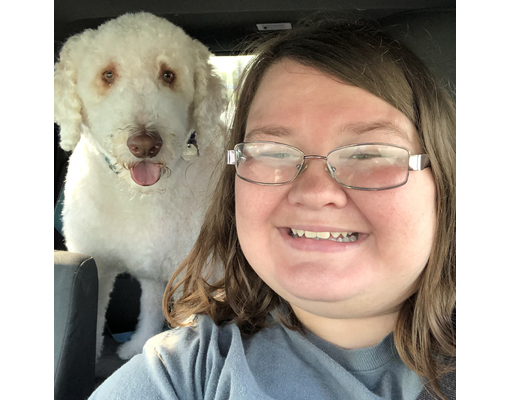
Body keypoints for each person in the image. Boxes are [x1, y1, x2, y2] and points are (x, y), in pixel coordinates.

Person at [90, 17, 456, 400]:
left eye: (368, 154)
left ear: (442, 180)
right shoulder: (185, 373)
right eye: (272, 152)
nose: (315, 192)